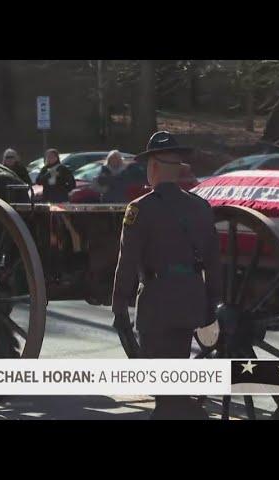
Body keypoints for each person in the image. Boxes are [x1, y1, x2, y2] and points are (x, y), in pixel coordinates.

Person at [111, 131, 222, 420]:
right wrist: (211, 308)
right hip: (191, 301)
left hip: (157, 303)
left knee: (163, 386)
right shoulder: (201, 208)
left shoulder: (139, 209)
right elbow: (213, 263)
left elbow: (127, 263)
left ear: (154, 167)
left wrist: (119, 307)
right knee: (175, 371)